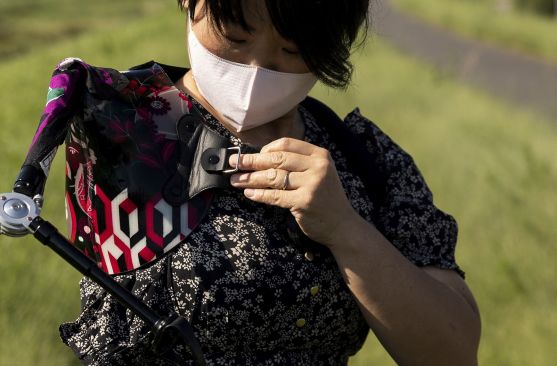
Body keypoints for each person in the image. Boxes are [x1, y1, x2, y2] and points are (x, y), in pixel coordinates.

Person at [54, 0, 481, 365]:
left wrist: (346, 229)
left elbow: (453, 352)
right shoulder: (123, 128)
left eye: (292, 49)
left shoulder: (365, 157)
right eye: (236, 36)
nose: (256, 69)